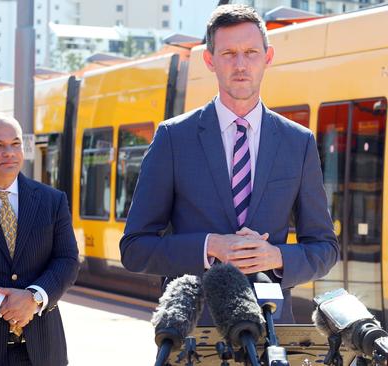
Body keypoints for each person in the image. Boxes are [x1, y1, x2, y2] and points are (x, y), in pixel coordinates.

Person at [120, 4, 338, 324]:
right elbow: (135, 249)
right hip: (193, 329)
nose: (240, 64)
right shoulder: (173, 138)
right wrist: (211, 247)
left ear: (268, 57)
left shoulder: (298, 142)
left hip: (271, 327)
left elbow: (325, 247)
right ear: (209, 61)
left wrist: (278, 256)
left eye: (250, 52)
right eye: (228, 53)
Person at [0, 113, 80, 365]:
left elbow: (67, 259)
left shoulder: (52, 200)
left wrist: (34, 298)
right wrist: (1, 303)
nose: (9, 152)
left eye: (15, 144)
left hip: (43, 350)